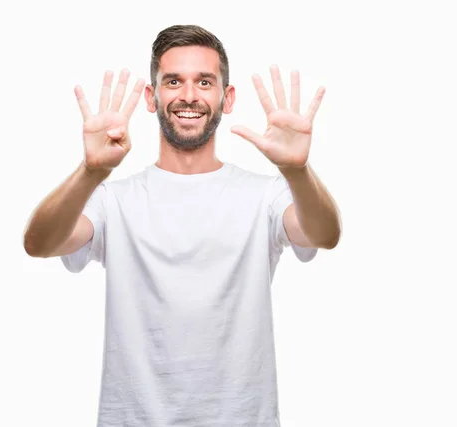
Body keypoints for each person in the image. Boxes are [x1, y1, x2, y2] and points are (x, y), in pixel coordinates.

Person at [23, 24, 341, 427]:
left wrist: (296, 171)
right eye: (173, 81)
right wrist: (90, 172)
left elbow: (323, 235)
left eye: (204, 82)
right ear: (151, 97)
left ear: (227, 99)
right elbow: (40, 244)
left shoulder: (265, 195)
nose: (188, 95)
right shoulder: (114, 199)